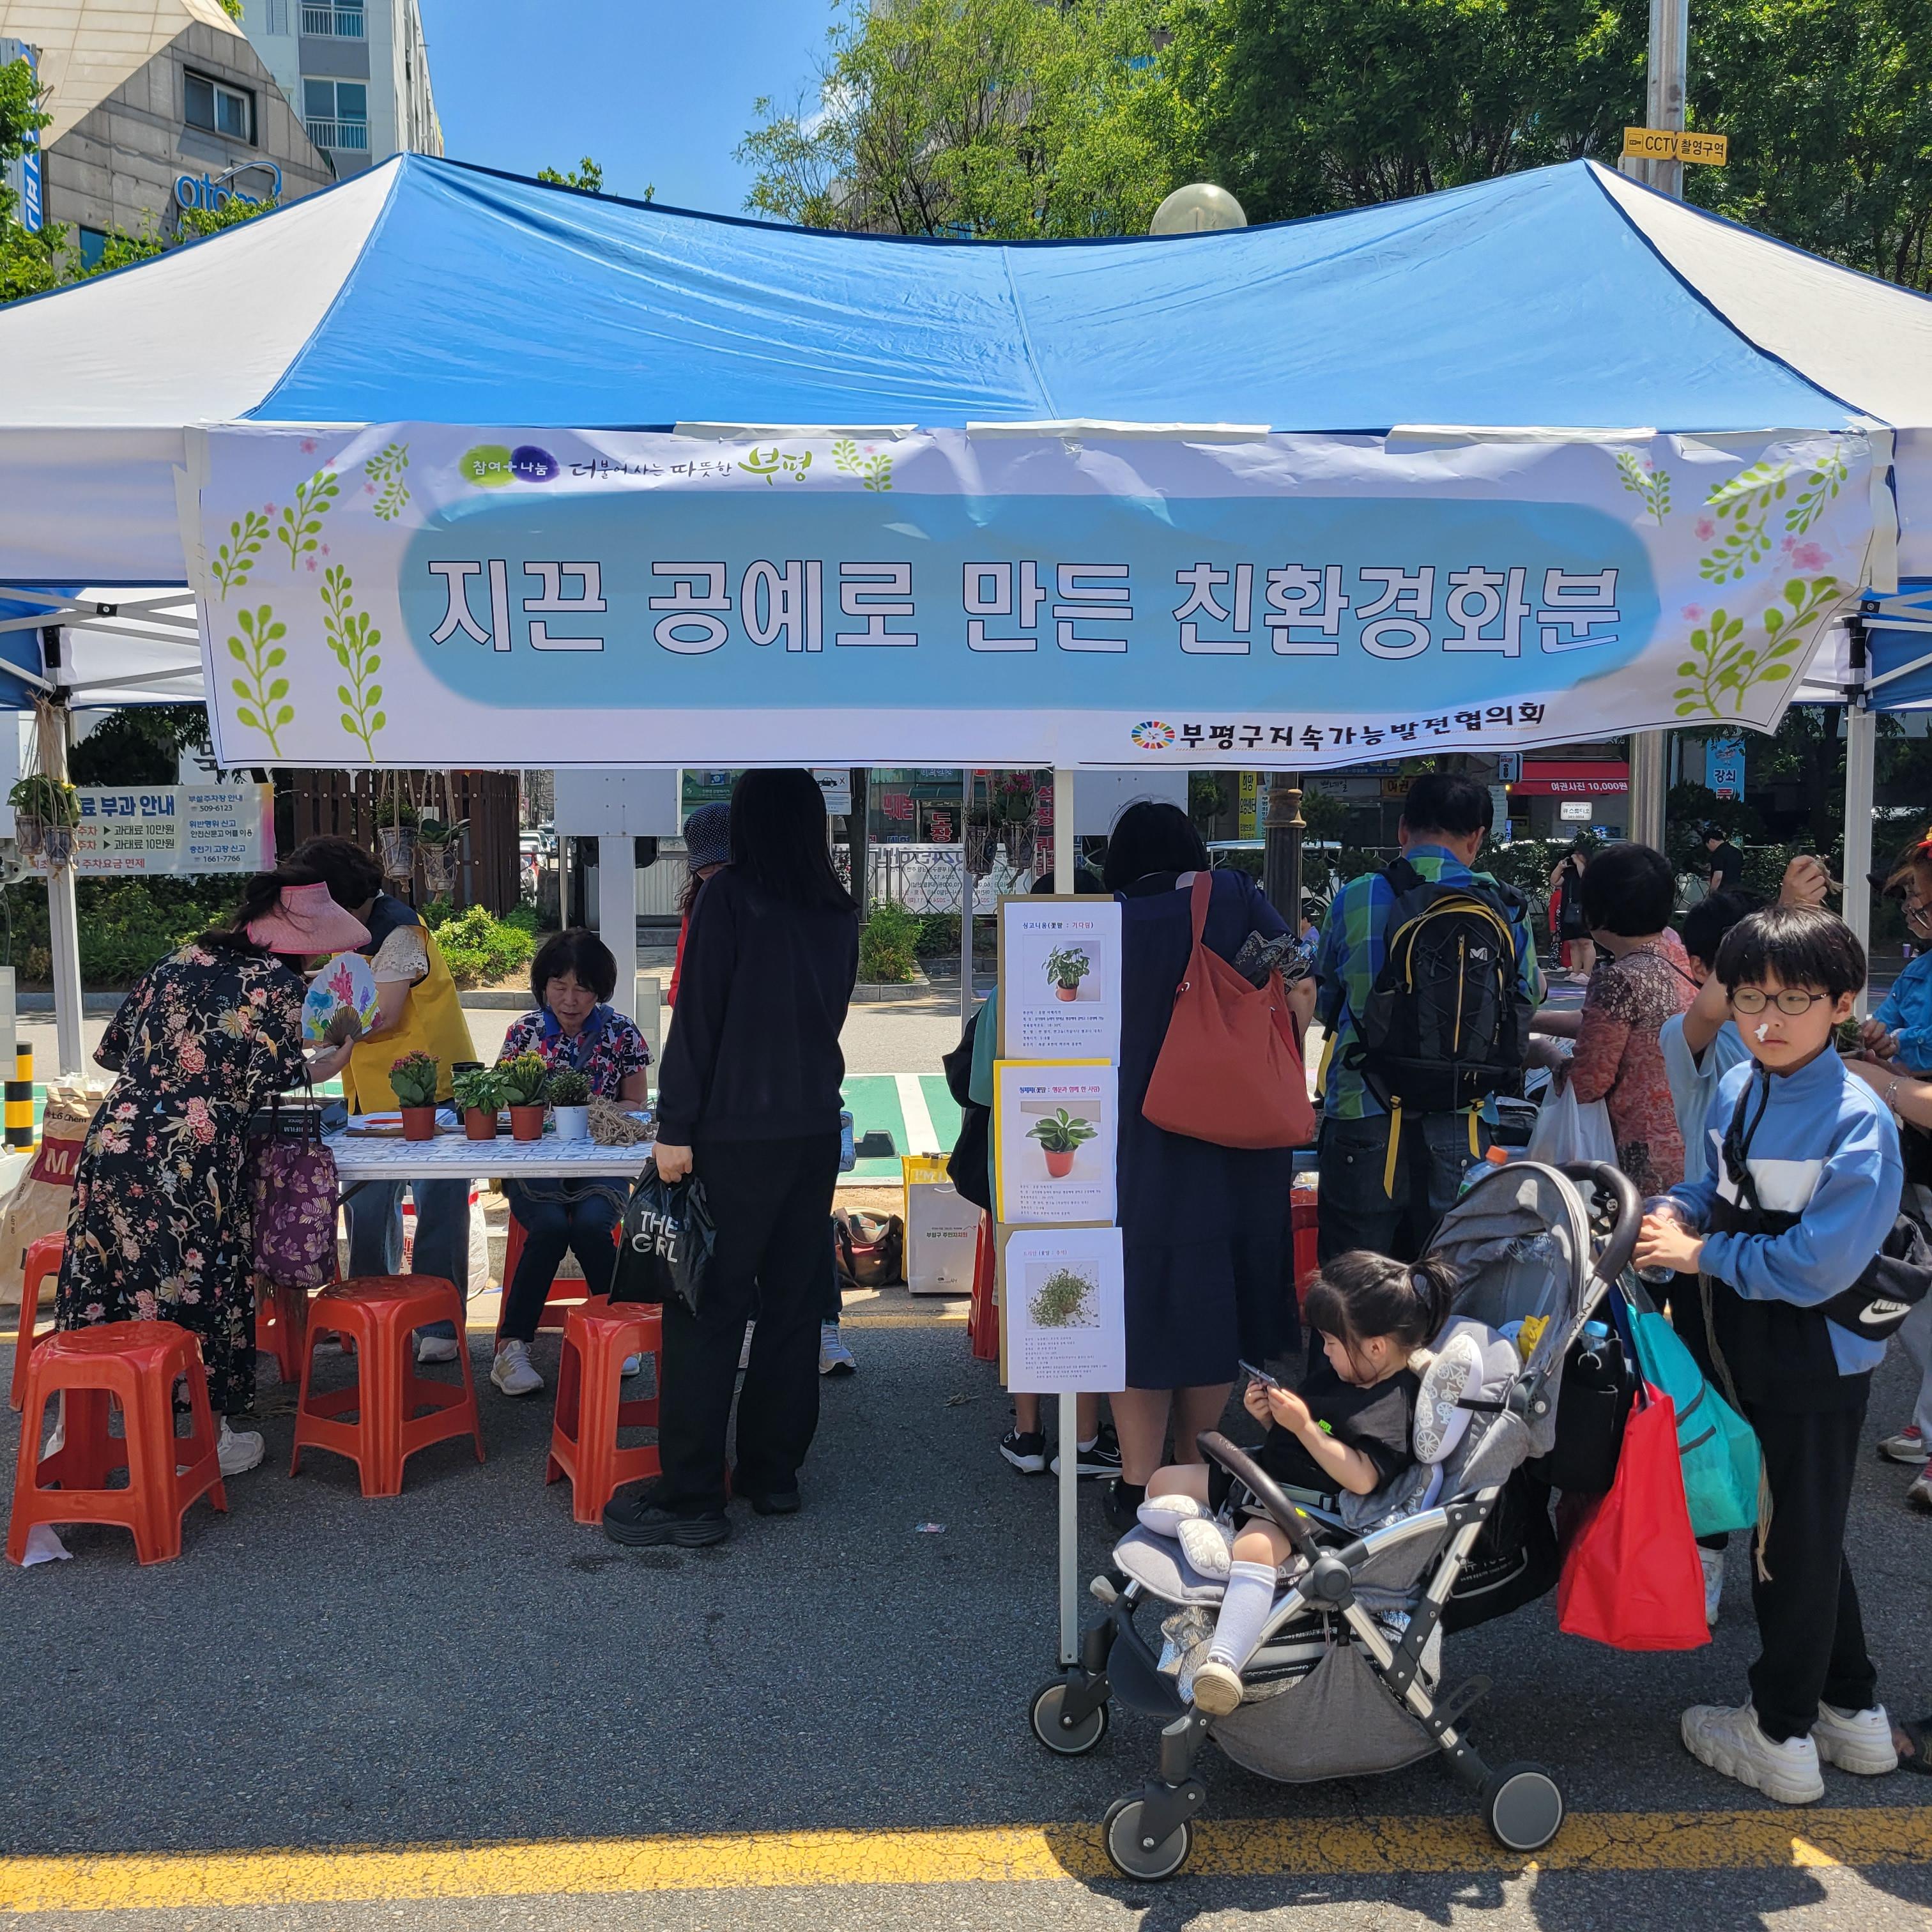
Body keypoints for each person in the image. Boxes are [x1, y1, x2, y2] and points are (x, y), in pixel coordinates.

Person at [1635, 905, 1903, 1805]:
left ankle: (1781, 1730)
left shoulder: (1858, 1118)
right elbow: (1711, 1186)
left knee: (1789, 1539)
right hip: (1745, 1339)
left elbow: (1819, 1264)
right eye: (1750, 997)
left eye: (1795, 999)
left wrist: (1702, 1254)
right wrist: (1677, 1212)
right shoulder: (1743, 1086)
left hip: (1816, 1354)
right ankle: (1851, 1707)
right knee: (1801, 1524)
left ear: (1842, 1003)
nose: (1768, 1019)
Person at [603, 769, 859, 1549]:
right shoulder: (836, 907)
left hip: (731, 1134)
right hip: (811, 1130)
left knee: (706, 1310)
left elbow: (699, 1022)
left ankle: (690, 1496)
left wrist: (674, 1127)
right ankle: (772, 1476)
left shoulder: (729, 897)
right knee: (791, 1307)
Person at [54, 871, 362, 1475]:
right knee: (202, 1280)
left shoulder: (177, 960)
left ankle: (75, 1429)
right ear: (298, 944)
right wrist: (337, 1057)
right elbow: (286, 1076)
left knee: (105, 1273)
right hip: (194, 1152)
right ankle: (205, 1436)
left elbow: (116, 1051)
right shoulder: (277, 984)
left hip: (116, 1136)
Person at [1100, 801, 1315, 1531]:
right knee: (1214, 1294)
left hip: (1137, 1136)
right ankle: (1194, 1472)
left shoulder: (1106, 918)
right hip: (1235, 1140)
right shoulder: (1232, 897)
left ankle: (1137, 1483)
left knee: (1141, 1297)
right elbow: (1301, 985)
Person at [1137, 1252, 1448, 1715]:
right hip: (1272, 1479)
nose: (1325, 1351)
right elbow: (1309, 1443)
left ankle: (1224, 1663)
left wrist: (1303, 1427)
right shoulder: (1346, 1376)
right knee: (1163, 1481)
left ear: (1376, 1348)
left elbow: (1362, 1477)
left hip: (1309, 1510)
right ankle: (1212, 1536)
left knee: (1255, 1547)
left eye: (1331, 1342)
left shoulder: (1390, 1403)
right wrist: (1272, 1421)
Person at [1314, 773, 1541, 1264]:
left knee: (1354, 1280)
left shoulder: (1357, 895)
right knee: (1451, 1273)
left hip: (1364, 1109)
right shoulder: (1506, 905)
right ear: (1477, 837)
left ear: (1403, 829)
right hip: (1465, 1115)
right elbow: (1528, 1000)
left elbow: (1323, 997)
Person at [292, 835, 479, 1362]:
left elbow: (385, 1014)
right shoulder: (353, 931)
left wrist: (306, 1029)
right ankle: (367, 1315)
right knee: (368, 1208)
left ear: (336, 900)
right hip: (372, 1094)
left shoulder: (400, 931)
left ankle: (438, 1325)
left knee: (439, 1207)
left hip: (432, 1090)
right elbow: (343, 986)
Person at [487, 928, 651, 1398]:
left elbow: (636, 1104)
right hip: (536, 1164)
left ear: (601, 990)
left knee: (593, 1225)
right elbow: (503, 1104)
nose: (570, 1000)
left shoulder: (621, 1032)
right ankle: (511, 1347)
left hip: (602, 1161)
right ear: (544, 986)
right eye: (559, 986)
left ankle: (618, 1331)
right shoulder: (525, 1033)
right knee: (551, 1226)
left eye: (583, 988)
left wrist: (593, 1113)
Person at [1562, 843, 1697, 1197]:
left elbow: (1588, 1083)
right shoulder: (1681, 956)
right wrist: (1537, 1021)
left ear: (1598, 909)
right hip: (1694, 1143)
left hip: (1640, 1155)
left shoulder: (1619, 979)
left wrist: (1545, 1056)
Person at [666, 802, 730, 1009]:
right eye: (706, 869)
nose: (715, 877)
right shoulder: (696, 909)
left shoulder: (770, 908)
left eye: (724, 866)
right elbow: (678, 985)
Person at [1549, 843, 1595, 978]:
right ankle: (1575, 971)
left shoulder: (1590, 870)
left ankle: (1586, 973)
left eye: (1579, 854)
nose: (1576, 856)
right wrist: (1560, 867)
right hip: (1569, 908)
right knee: (1573, 942)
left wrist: (1578, 862)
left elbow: (1584, 877)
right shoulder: (1569, 872)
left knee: (1586, 942)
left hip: (1585, 909)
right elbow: (1555, 881)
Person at [1703, 824, 1745, 898]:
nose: (1709, 849)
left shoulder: (1718, 854)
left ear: (1711, 841)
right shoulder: (1737, 852)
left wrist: (1712, 893)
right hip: (1737, 890)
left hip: (1723, 892)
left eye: (1707, 846)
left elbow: (1718, 876)